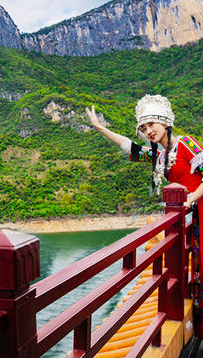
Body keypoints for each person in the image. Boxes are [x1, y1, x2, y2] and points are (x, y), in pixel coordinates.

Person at [86, 94, 203, 335]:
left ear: (165, 121)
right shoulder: (159, 155)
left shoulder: (187, 144)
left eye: (151, 124)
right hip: (192, 215)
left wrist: (190, 198)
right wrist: (100, 128)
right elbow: (129, 146)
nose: (148, 131)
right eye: (144, 127)